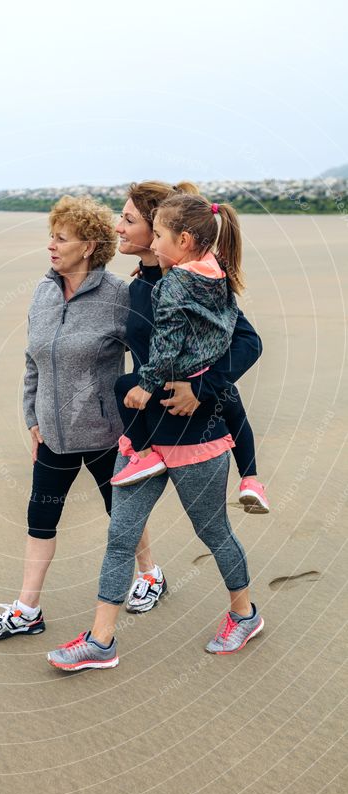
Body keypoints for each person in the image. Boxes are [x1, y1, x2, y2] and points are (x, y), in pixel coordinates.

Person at [47, 191, 265, 671]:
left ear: (160, 231)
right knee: (121, 536)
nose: (119, 229)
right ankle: (101, 641)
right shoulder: (139, 285)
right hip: (143, 437)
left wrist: (199, 387)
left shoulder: (194, 282)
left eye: (128, 220)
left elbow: (247, 342)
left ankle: (244, 614)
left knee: (213, 530)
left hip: (195, 435)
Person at [0, 195, 157, 640]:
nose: (52, 246)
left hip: (103, 432)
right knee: (40, 518)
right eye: (51, 237)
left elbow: (148, 360)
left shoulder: (120, 295)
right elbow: (33, 359)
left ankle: (149, 575)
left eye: (62, 238)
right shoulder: (43, 290)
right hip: (52, 435)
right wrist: (31, 416)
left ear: (90, 245)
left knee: (122, 514)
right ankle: (26, 609)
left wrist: (142, 421)